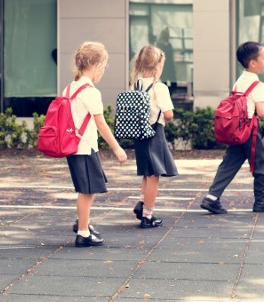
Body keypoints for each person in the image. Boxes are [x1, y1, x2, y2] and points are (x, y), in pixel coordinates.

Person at [200, 41, 264, 215]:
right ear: (253, 63)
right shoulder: (258, 85)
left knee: (229, 163)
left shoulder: (240, 81)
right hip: (250, 129)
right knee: (262, 163)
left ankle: (212, 198)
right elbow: (260, 112)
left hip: (237, 128)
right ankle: (262, 201)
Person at [66, 41, 127, 247]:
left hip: (75, 146)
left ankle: (83, 223)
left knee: (87, 189)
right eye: (104, 67)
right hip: (84, 147)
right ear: (96, 65)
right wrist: (117, 148)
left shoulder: (71, 87)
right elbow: (100, 123)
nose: (103, 72)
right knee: (87, 191)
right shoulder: (90, 91)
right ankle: (83, 233)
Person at [130, 45, 179, 228]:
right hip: (154, 133)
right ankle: (147, 215)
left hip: (139, 133)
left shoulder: (135, 85)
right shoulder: (160, 88)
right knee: (154, 176)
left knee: (147, 172)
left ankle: (142, 204)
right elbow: (168, 114)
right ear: (158, 65)